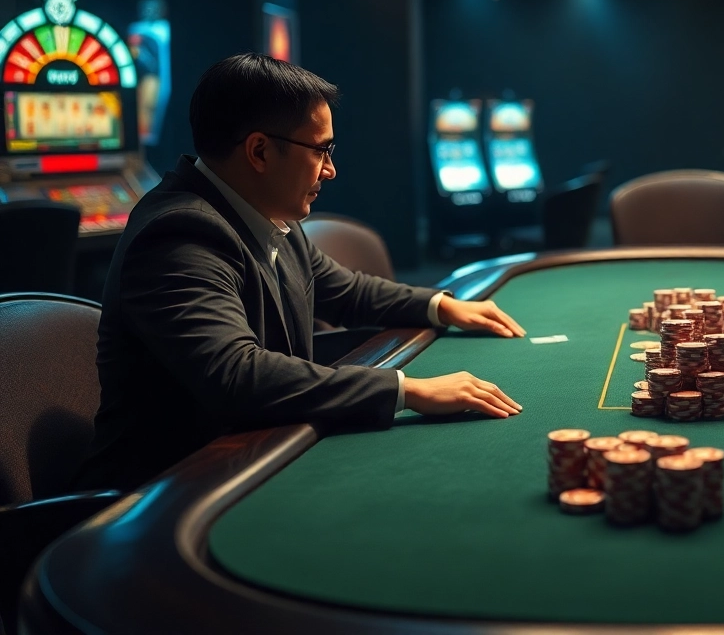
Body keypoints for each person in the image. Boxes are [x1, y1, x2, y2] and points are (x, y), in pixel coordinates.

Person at [76, 54, 526, 492]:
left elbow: (346, 289)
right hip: (171, 497)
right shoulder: (179, 234)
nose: (330, 169)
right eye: (321, 150)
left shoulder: (265, 213)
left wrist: (442, 305)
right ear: (259, 151)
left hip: (252, 456)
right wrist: (408, 390)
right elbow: (236, 375)